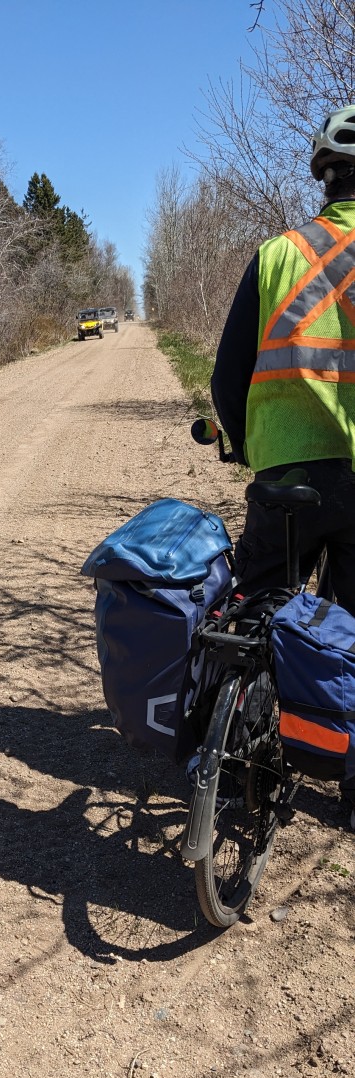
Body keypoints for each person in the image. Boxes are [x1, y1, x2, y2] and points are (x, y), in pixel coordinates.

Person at [211, 104, 355, 829]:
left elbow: (226, 374)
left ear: (322, 177)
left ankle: (239, 768)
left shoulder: (276, 255)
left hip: (287, 473)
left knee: (259, 611)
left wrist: (242, 443)